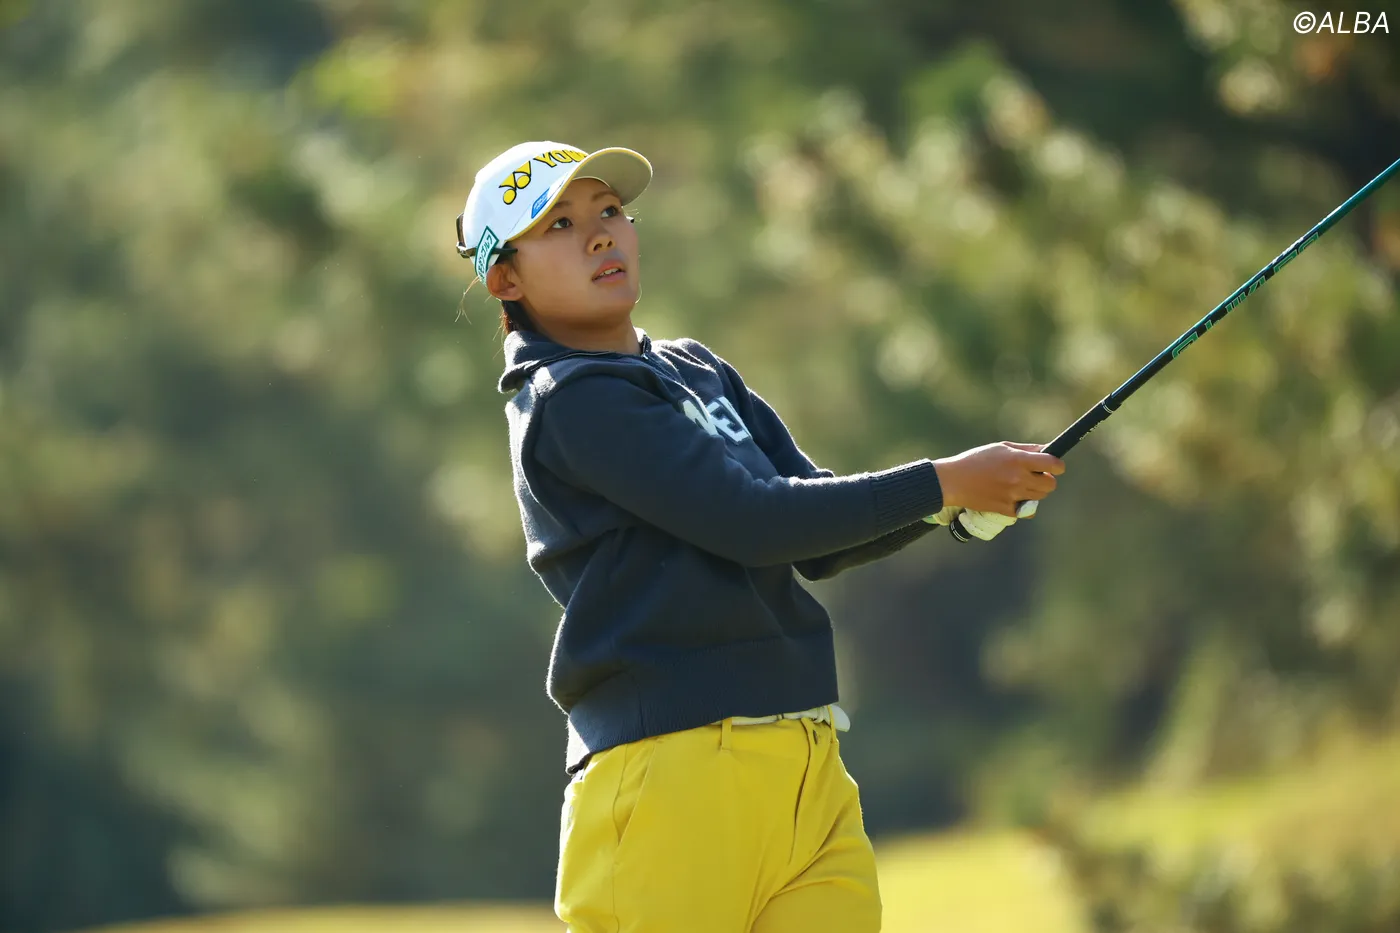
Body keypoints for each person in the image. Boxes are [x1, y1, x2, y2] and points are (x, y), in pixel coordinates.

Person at [454, 141, 1065, 933]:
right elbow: (752, 521)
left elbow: (814, 531)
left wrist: (947, 505)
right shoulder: (570, 398)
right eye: (560, 224)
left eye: (609, 210)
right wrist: (945, 482)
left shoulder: (695, 368)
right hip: (668, 771)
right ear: (505, 279)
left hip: (803, 756)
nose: (601, 233)